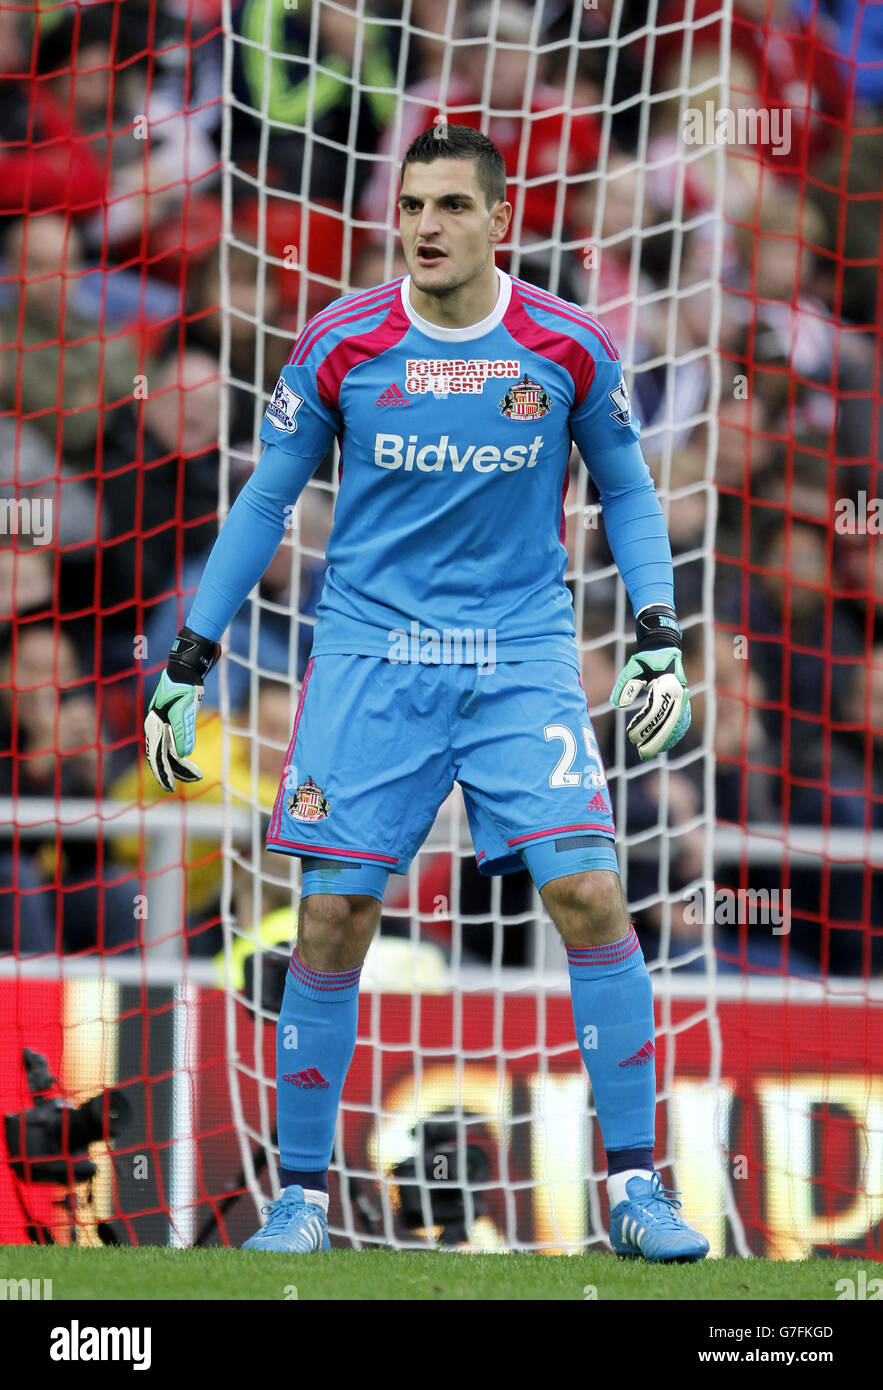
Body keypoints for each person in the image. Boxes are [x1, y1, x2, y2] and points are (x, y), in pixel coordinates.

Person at [143, 125, 707, 1262]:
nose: (423, 229)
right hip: (369, 659)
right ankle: (301, 1197)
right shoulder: (341, 343)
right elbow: (264, 504)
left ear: (497, 217)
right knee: (335, 913)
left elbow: (630, 494)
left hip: (520, 658)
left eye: (449, 206)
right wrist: (189, 659)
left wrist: (656, 634)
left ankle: (637, 1188)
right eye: (409, 207)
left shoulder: (568, 345)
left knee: (592, 892)